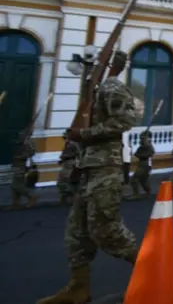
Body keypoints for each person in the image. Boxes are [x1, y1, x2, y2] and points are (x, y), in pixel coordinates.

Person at [38, 51, 139, 304]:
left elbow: (126, 120)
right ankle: (78, 289)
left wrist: (84, 134)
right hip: (89, 169)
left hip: (105, 169)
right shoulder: (96, 92)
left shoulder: (112, 87)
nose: (86, 69)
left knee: (108, 231)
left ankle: (154, 271)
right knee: (78, 234)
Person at [9, 131, 38, 209]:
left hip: (22, 166)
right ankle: (15, 204)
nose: (20, 135)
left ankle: (32, 196)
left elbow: (32, 152)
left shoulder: (28, 143)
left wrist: (21, 157)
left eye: (22, 134)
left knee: (17, 186)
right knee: (14, 185)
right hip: (17, 165)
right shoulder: (21, 142)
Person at [57, 129, 81, 206]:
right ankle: (64, 198)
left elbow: (78, 152)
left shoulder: (72, 144)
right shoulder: (68, 143)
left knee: (67, 181)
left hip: (70, 163)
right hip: (66, 163)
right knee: (62, 181)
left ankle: (75, 198)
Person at [130, 131, 153, 198]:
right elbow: (137, 154)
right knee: (143, 180)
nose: (141, 139)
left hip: (145, 165)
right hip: (142, 164)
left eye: (142, 138)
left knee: (134, 179)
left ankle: (136, 195)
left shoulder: (148, 146)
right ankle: (148, 192)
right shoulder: (142, 147)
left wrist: (145, 138)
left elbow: (149, 152)